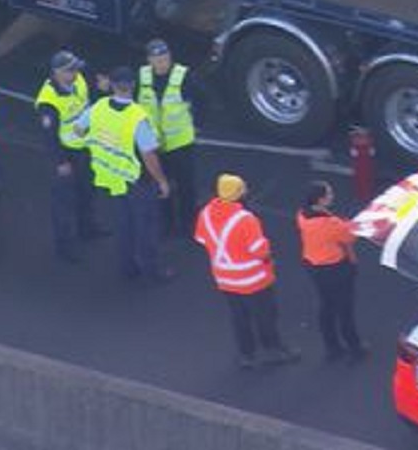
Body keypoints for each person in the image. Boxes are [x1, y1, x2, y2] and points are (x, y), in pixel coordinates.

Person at [79, 66, 175, 283]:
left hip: (113, 177)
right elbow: (149, 155)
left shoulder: (98, 108)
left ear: (111, 85)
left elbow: (78, 129)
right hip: (138, 180)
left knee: (124, 225)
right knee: (146, 228)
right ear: (133, 86)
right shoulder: (137, 117)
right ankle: (152, 273)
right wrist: (162, 181)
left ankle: (127, 268)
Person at [195, 174, 301, 369]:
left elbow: (202, 240)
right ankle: (273, 349)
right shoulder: (246, 219)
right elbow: (259, 250)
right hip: (253, 280)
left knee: (239, 317)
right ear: (239, 194)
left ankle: (247, 354)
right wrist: (268, 255)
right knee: (265, 315)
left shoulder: (206, 213)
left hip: (225, 278)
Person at [34, 49, 99, 263]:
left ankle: (87, 229)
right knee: (63, 202)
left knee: (86, 191)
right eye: (70, 71)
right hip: (65, 154)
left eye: (75, 69)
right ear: (57, 73)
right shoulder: (48, 101)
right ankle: (65, 247)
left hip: (83, 147)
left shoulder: (78, 79)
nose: (75, 73)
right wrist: (60, 161)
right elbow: (49, 137)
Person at [137, 38, 204, 238]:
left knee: (186, 188)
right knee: (161, 186)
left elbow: (203, 99)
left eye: (165, 57)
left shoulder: (183, 76)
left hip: (180, 144)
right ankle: (167, 226)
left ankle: (189, 227)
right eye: (157, 59)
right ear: (149, 60)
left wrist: (198, 124)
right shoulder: (142, 77)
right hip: (155, 146)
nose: (162, 62)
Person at [297, 180, 367, 363]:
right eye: (328, 194)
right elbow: (350, 237)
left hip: (314, 266)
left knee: (327, 306)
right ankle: (354, 346)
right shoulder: (330, 223)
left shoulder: (302, 216)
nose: (332, 197)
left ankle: (332, 346)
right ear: (320, 200)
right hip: (336, 269)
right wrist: (348, 223)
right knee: (345, 309)